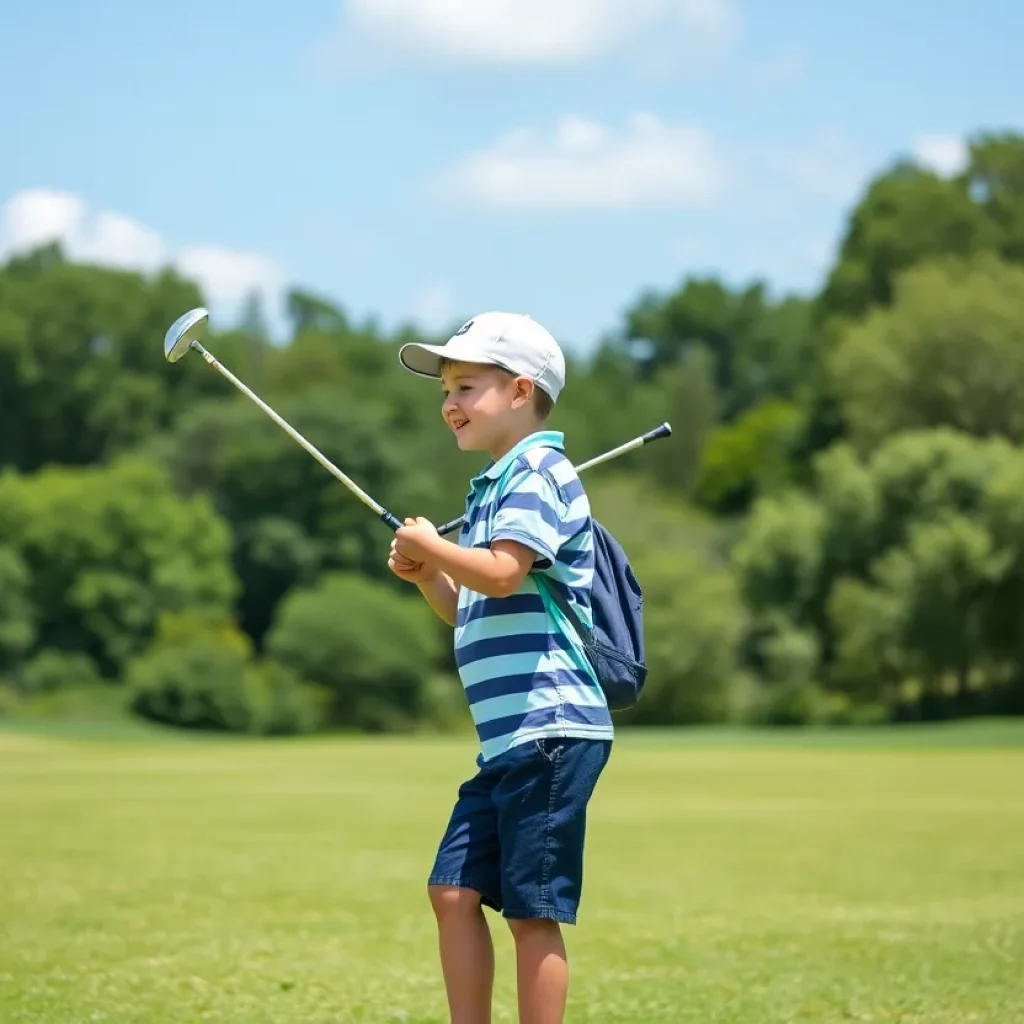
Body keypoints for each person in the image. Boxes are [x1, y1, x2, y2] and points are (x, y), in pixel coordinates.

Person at [387, 311, 614, 1024]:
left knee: (529, 910)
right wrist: (427, 573)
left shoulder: (540, 471)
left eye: (465, 386)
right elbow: (469, 607)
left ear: (520, 391)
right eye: (445, 390)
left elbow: (504, 573)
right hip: (508, 740)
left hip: (551, 725)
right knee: (452, 891)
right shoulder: (491, 487)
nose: (449, 402)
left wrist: (438, 547)